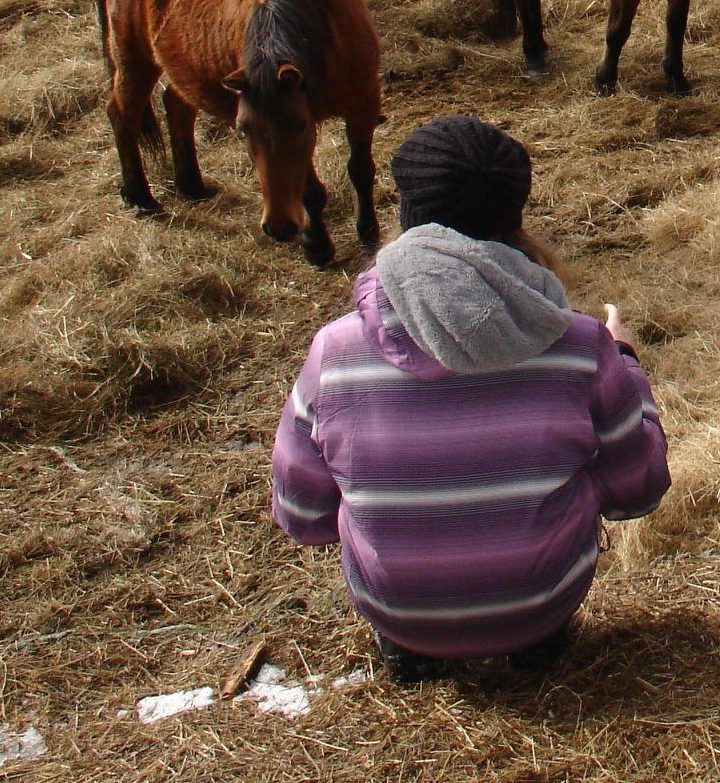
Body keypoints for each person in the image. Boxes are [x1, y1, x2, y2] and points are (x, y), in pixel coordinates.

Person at [271, 115, 670, 680]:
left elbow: (303, 516)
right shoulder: (581, 346)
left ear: (408, 216)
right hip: (541, 605)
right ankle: (537, 642)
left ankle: (411, 650)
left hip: (398, 613)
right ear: (514, 215)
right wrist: (624, 360)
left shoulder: (335, 351)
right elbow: (639, 489)